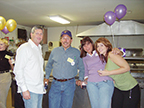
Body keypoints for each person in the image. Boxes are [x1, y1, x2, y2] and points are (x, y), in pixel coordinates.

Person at [44, 30, 85, 108]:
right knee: (53, 106)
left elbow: (82, 67)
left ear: (71, 40)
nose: (65, 40)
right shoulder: (54, 51)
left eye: (68, 38)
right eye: (63, 38)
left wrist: (80, 79)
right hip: (55, 84)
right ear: (60, 40)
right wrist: (46, 77)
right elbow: (49, 65)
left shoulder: (76, 52)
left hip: (69, 85)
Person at [96, 37, 140, 108]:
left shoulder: (111, 54)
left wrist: (108, 73)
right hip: (118, 88)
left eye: (102, 45)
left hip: (130, 88)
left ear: (107, 46)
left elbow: (127, 68)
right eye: (97, 46)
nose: (99, 48)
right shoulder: (105, 59)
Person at [13, 26, 46, 108]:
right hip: (30, 89)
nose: (39, 36)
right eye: (37, 33)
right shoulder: (24, 48)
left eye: (41, 34)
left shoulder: (38, 48)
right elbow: (18, 70)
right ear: (31, 34)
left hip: (39, 88)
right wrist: (24, 89)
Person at [80, 36, 114, 108]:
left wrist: (117, 51)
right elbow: (86, 71)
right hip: (91, 84)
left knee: (104, 106)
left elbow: (111, 52)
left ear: (92, 44)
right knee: (95, 106)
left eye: (88, 44)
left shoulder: (100, 52)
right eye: (84, 45)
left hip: (105, 82)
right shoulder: (84, 58)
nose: (86, 47)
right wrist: (86, 79)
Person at [0, 38, 14, 108]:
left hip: (4, 77)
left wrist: (11, 64)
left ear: (6, 45)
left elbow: (13, 69)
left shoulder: (8, 55)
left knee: (2, 98)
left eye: (1, 44)